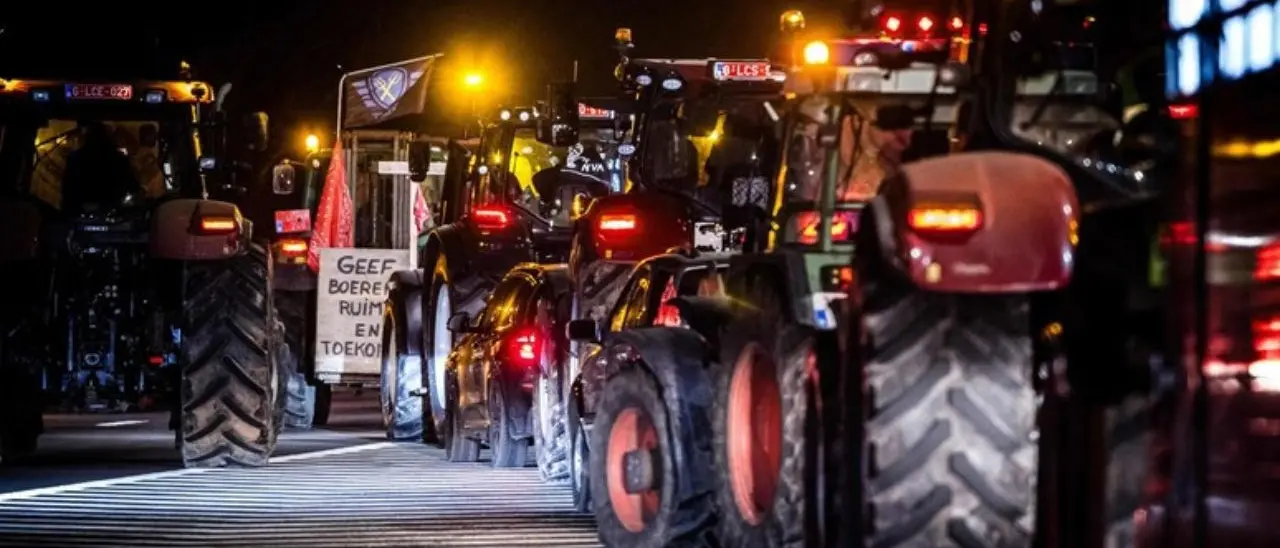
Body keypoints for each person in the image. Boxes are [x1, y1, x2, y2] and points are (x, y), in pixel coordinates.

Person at [61, 121, 141, 212]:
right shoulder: (119, 160)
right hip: (111, 212)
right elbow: (132, 187)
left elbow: (66, 190)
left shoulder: (74, 159)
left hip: (81, 211)